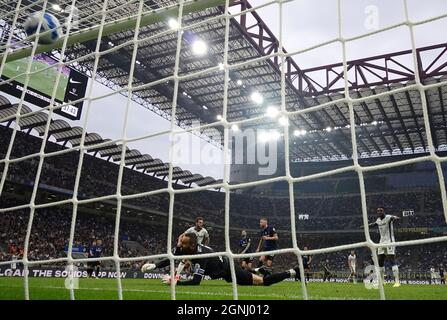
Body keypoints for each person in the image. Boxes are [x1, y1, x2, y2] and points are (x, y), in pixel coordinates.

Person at [155, 232, 301, 286]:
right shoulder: (186, 249)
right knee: (256, 280)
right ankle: (259, 270)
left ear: (192, 245)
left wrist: (176, 283)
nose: (180, 245)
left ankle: (292, 272)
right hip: (224, 272)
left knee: (262, 282)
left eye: (184, 243)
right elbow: (171, 257)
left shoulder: (201, 256)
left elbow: (195, 282)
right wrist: (155, 266)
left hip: (229, 269)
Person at [141, 217, 209, 275]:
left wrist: (205, 246)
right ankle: (155, 266)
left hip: (196, 249)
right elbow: (181, 235)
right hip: (188, 248)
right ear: (196, 223)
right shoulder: (191, 230)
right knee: (174, 257)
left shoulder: (204, 231)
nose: (201, 224)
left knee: (188, 261)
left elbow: (207, 238)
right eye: (200, 222)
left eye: (202, 222)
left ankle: (178, 273)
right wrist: (179, 242)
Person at [364, 207, 401, 287]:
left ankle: (397, 282)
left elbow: (393, 217)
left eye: (380, 210)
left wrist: (396, 217)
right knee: (380, 261)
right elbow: (374, 224)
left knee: (392, 260)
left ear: (383, 211)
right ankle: (382, 281)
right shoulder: (378, 220)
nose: (379, 212)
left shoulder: (388, 217)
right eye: (378, 211)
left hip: (389, 242)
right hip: (381, 242)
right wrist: (365, 226)